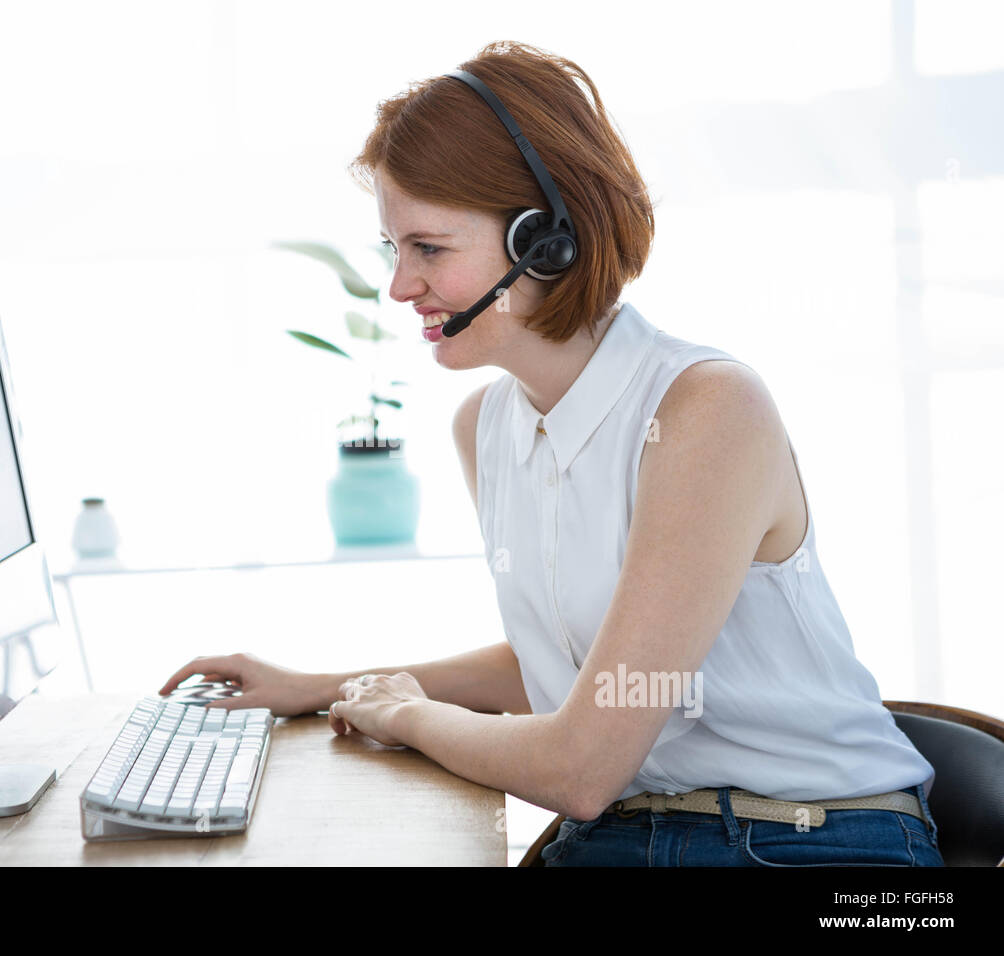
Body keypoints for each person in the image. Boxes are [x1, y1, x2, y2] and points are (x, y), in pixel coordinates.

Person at [161, 41, 942, 866]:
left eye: (428, 248)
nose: (399, 286)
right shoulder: (486, 427)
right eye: (395, 249)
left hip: (810, 839)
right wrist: (321, 689)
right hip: (628, 836)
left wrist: (408, 715)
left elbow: (582, 765)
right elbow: (565, 664)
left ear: (546, 240)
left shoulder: (708, 411)